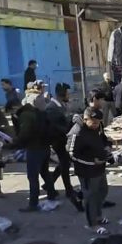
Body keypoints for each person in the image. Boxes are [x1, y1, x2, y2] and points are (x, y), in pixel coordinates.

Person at [67, 107, 113, 235]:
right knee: (90, 197)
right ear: (86, 119)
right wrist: (92, 160)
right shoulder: (77, 132)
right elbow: (71, 153)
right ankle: (92, 224)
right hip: (86, 170)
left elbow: (102, 138)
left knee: (102, 191)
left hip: (100, 167)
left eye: (98, 122)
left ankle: (98, 216)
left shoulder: (98, 126)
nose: (96, 125)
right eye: (94, 122)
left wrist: (108, 146)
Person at [13, 88, 58, 212]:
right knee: (44, 172)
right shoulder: (43, 113)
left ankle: (33, 203)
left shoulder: (27, 115)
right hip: (45, 147)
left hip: (34, 148)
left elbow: (25, 133)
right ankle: (52, 193)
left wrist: (15, 142)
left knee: (33, 176)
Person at [45, 82, 83, 211]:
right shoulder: (51, 107)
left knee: (64, 163)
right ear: (62, 94)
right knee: (65, 163)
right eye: (67, 93)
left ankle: (50, 183)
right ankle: (67, 190)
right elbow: (58, 126)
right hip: (57, 140)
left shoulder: (59, 105)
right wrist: (70, 122)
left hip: (61, 139)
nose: (69, 95)